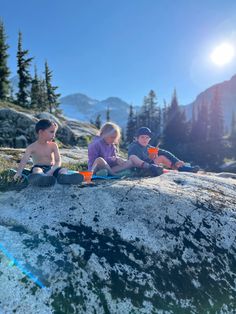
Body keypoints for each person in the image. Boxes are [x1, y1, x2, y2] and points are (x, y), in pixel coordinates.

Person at [14, 119, 84, 186]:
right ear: (41, 132)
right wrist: (19, 172)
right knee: (36, 170)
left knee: (63, 170)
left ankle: (65, 178)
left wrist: (52, 170)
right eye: (51, 132)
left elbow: (58, 161)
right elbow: (24, 160)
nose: (54, 135)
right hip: (39, 167)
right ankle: (41, 178)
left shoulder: (53, 145)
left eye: (54, 132)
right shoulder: (31, 147)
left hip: (51, 168)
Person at [128, 127, 199, 175]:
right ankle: (155, 169)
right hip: (139, 169)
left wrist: (176, 160)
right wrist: (149, 159)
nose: (145, 139)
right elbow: (133, 159)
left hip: (151, 167)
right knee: (135, 157)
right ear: (137, 138)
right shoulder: (134, 146)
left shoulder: (148, 147)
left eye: (147, 138)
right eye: (142, 137)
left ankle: (181, 168)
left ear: (149, 139)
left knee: (162, 157)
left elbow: (165, 152)